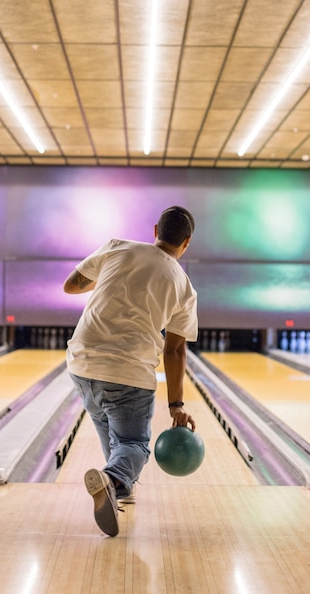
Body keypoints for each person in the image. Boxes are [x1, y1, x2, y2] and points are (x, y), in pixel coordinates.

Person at [63, 206, 198, 536]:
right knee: (133, 444)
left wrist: (114, 278)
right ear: (187, 242)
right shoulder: (184, 286)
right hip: (129, 373)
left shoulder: (117, 247)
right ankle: (113, 480)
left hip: (82, 364)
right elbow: (175, 348)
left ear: (155, 229)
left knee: (113, 435)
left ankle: (119, 486)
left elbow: (71, 286)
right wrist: (176, 406)